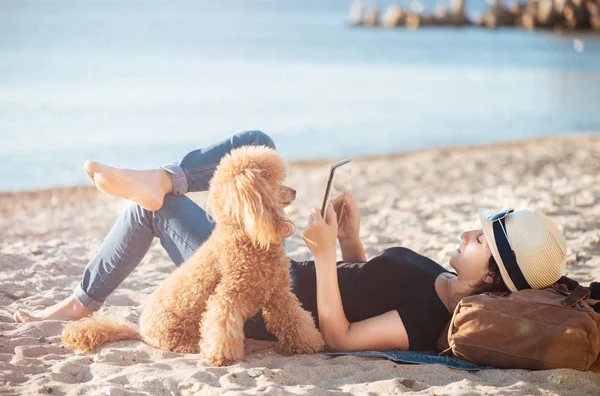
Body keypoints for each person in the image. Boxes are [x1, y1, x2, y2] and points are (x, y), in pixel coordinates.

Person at [13, 130, 568, 352]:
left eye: (481, 240)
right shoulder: (440, 275)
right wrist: (351, 241)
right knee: (258, 143)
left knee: (152, 211)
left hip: (261, 292)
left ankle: (81, 300)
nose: (468, 233)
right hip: (284, 266)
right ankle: (169, 178)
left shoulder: (432, 314)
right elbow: (367, 281)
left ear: (491, 276)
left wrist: (323, 257)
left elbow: (341, 337)